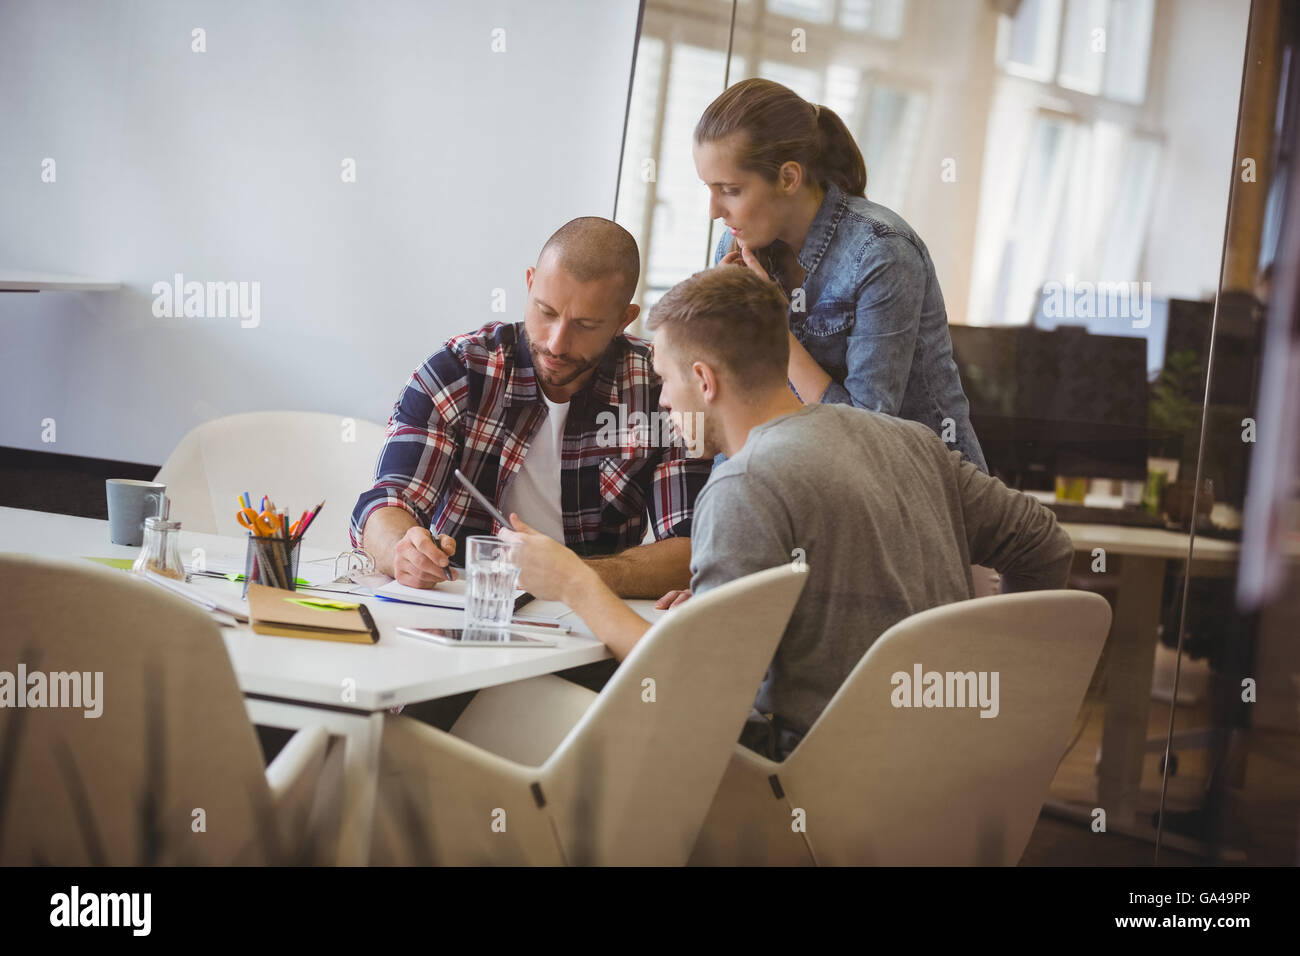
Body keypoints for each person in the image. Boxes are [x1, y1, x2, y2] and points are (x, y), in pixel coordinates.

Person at [500, 267, 1073, 761]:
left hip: (804, 781)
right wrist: (997, 683)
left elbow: (695, 689)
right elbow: (1045, 546)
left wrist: (575, 582)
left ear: (704, 380)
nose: (664, 402)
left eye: (665, 381)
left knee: (521, 712)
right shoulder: (911, 442)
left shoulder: (745, 483)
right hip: (942, 771)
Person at [349, 216, 712, 601]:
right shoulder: (459, 370)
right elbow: (386, 502)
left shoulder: (663, 389)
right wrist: (400, 552)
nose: (557, 343)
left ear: (624, 320)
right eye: (546, 312)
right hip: (460, 608)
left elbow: (691, 551)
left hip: (593, 623)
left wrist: (568, 576)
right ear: (529, 283)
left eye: (586, 325)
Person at [693, 77, 988, 472]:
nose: (714, 211)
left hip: (922, 495)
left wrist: (770, 328)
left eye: (729, 189)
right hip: (816, 482)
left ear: (788, 178)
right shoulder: (736, 248)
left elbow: (864, 434)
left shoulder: (882, 251)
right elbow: (733, 407)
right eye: (708, 189)